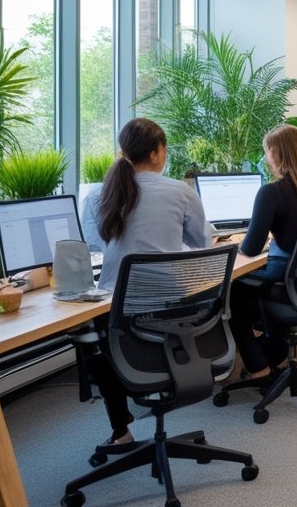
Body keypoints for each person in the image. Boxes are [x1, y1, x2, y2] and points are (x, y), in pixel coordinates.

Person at [80, 118, 213, 447]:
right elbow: (202, 243)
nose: (165, 155)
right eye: (164, 149)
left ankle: (120, 429)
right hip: (174, 317)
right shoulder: (180, 192)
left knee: (87, 335)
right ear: (155, 154)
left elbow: (93, 245)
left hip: (121, 319)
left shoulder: (98, 195)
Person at [227, 124, 297, 383]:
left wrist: (235, 245)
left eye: (266, 152)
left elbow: (251, 249)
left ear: (275, 152)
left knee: (232, 294)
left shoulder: (272, 192)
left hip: (288, 286)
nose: (266, 158)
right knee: (252, 287)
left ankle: (259, 369)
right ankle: (275, 357)